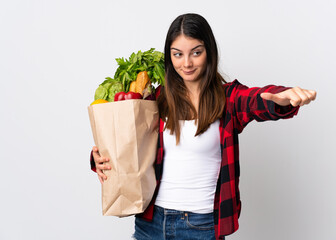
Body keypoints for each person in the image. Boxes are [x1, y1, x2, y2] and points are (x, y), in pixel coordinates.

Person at [91, 13, 316, 240]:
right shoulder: (156, 99)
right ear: (170, 57)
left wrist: (283, 96)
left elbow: (256, 99)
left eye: (196, 53)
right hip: (151, 223)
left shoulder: (227, 98)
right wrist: (98, 159)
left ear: (209, 51)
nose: (186, 63)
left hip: (201, 226)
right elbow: (130, 145)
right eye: (178, 54)